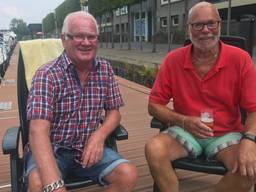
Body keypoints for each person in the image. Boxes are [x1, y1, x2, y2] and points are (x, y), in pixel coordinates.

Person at [145, 2, 256, 192]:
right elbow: (154, 105)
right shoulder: (174, 59)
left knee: (248, 170)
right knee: (153, 149)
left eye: (211, 23)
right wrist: (184, 120)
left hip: (227, 134)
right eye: (198, 25)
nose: (205, 30)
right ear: (189, 29)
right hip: (185, 131)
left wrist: (249, 140)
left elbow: (254, 109)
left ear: (219, 25)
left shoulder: (240, 59)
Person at [25, 11, 138, 192]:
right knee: (39, 185)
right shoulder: (47, 75)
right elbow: (37, 132)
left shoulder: (105, 69)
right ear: (64, 39)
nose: (86, 42)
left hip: (87, 147)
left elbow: (114, 112)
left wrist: (99, 135)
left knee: (128, 174)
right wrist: (54, 185)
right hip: (52, 150)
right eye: (78, 36)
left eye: (91, 37)